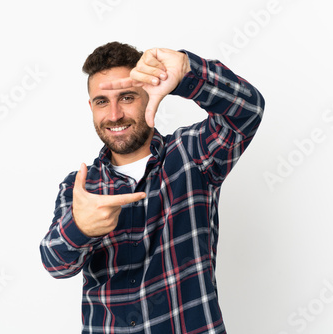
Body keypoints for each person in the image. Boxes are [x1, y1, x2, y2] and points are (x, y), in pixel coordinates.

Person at [40, 41, 265, 333]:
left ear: (148, 95)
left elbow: (247, 111)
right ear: (91, 107)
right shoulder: (79, 186)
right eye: (102, 102)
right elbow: (56, 264)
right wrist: (80, 228)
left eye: (127, 97)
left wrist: (188, 72)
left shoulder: (191, 154)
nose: (114, 114)